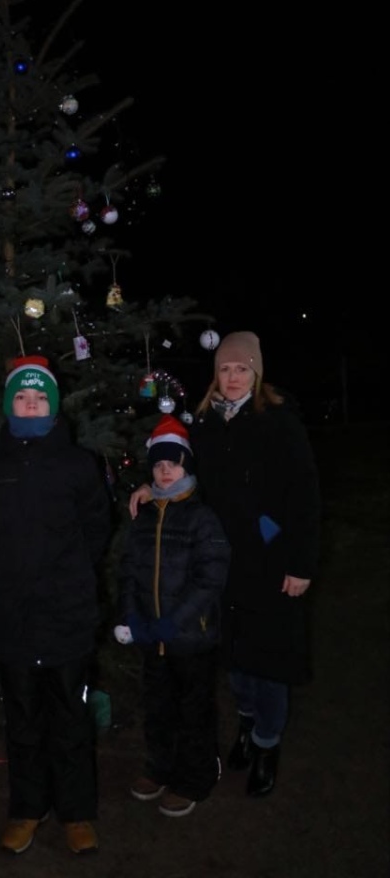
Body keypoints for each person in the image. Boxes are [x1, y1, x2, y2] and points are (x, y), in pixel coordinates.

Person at [129, 331, 321, 798]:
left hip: (271, 559)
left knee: (269, 659)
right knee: (235, 657)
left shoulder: (280, 423)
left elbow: (305, 498)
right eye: (225, 369)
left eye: (241, 369)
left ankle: (267, 744)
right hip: (221, 561)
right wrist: (153, 487)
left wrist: (300, 564)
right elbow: (185, 474)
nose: (233, 378)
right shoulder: (204, 423)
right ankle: (247, 725)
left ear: (256, 372)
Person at [0, 355, 112, 856]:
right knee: (23, 720)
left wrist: (68, 575)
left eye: (39, 398)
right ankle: (27, 808)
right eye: (21, 397)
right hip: (13, 617)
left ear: (53, 406)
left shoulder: (78, 464)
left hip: (66, 616)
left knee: (71, 719)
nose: (30, 404)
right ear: (9, 404)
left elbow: (97, 527)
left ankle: (76, 812)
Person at [113, 414, 231, 818]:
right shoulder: (144, 517)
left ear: (187, 467)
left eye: (174, 464)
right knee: (158, 706)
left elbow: (210, 579)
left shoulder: (202, 518)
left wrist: (175, 621)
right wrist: (132, 616)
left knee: (194, 711)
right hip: (151, 636)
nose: (165, 471)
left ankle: (194, 778)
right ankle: (159, 767)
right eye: (159, 464)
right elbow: (129, 571)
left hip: (190, 637)